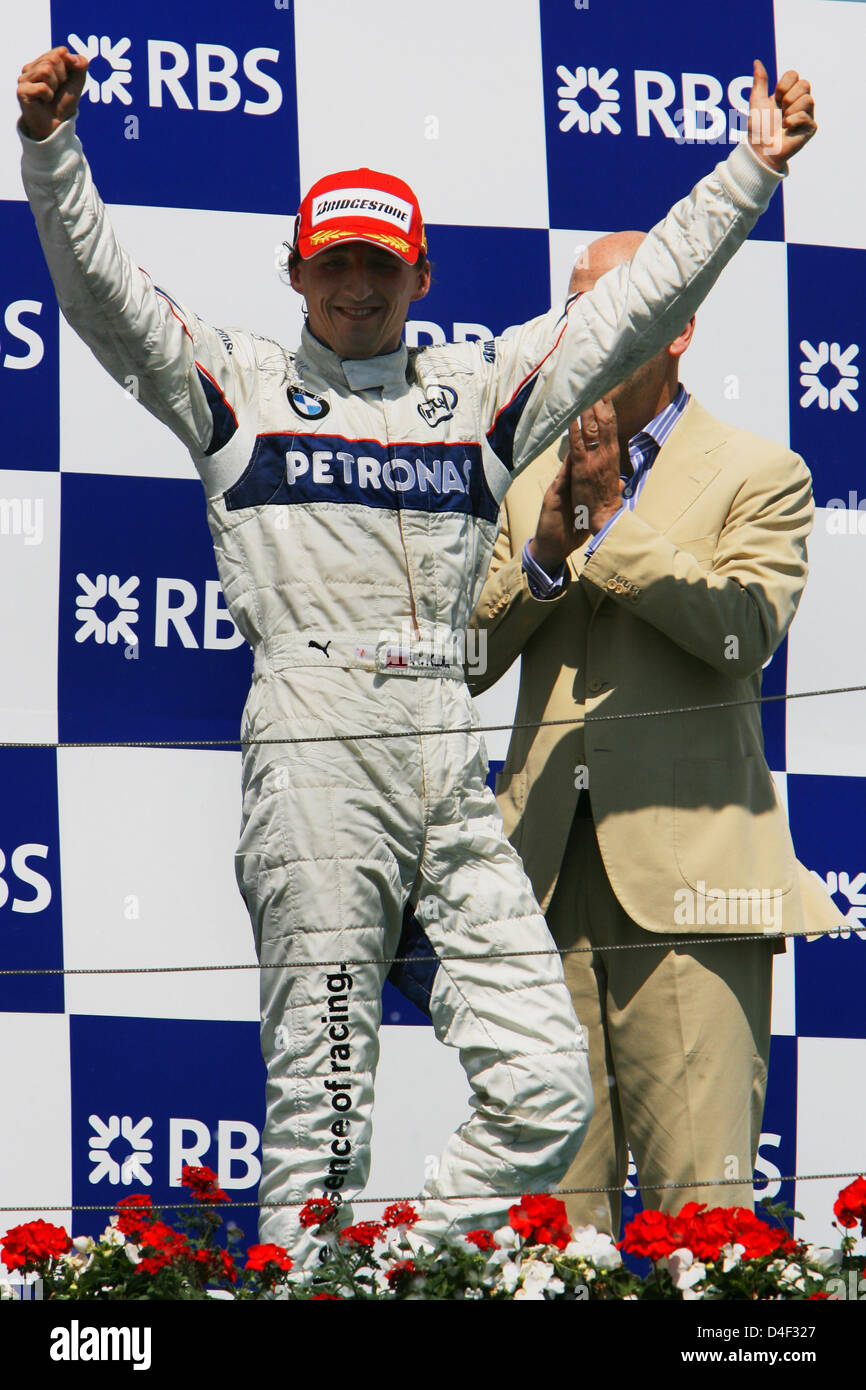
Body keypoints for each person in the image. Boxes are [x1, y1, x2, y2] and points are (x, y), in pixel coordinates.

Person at [17, 45, 816, 1264]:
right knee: (322, 1115)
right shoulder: (238, 384)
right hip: (318, 755)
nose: (354, 287)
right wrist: (52, 152)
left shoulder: (479, 393)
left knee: (545, 1084)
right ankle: (319, 1284)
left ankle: (390, 1266)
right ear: (294, 271)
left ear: (418, 274)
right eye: (332, 263)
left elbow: (630, 303)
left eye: (377, 265)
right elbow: (105, 298)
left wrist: (749, 172)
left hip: (444, 757)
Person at [468, 231, 843, 1237]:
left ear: (676, 325)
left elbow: (741, 631)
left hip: (695, 885)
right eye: (575, 307)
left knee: (700, 1228)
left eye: (618, 305)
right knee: (550, 1230)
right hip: (540, 886)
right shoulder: (519, 479)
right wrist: (546, 549)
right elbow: (465, 656)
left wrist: (609, 516)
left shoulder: (760, 471)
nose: (587, 329)